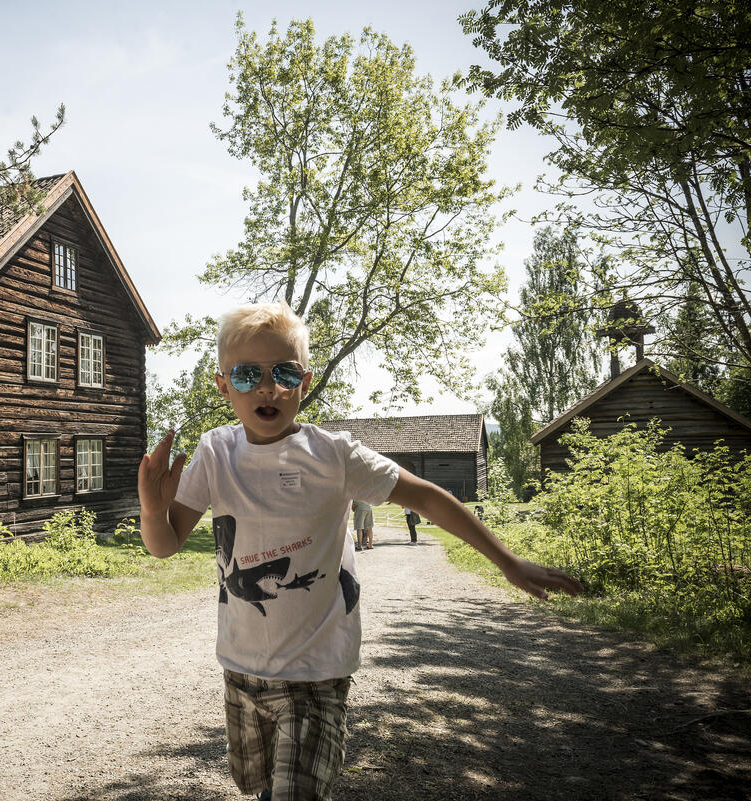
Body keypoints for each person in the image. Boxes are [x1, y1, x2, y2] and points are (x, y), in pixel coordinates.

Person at [138, 301, 582, 801]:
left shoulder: (334, 454)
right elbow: (164, 546)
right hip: (241, 668)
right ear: (223, 385)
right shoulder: (215, 453)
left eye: (283, 372)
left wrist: (507, 560)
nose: (267, 387)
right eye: (247, 375)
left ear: (304, 383)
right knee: (254, 785)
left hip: (317, 674)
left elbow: (429, 496)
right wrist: (153, 512)